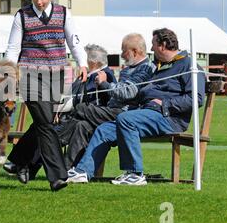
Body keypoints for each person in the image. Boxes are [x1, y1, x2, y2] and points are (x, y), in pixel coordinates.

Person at [67, 28, 206, 185]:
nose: (151, 49)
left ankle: (135, 174)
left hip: (169, 118)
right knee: (104, 129)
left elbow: (197, 99)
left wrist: (165, 104)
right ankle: (82, 171)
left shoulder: (188, 65)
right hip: (147, 114)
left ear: (163, 45)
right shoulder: (160, 66)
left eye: (153, 44)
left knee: (126, 119)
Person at [4, 0, 88, 191]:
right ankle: (57, 176)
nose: (39, 2)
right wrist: (10, 71)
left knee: (44, 123)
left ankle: (19, 161)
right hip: (29, 74)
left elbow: (74, 40)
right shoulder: (21, 16)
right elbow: (13, 48)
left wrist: (83, 63)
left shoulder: (64, 13)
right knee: (46, 123)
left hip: (56, 75)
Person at [3, 43, 116, 179]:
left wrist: (64, 111)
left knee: (47, 129)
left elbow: (94, 102)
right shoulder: (86, 75)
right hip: (72, 115)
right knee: (42, 122)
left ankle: (23, 164)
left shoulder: (105, 75)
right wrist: (59, 111)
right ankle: (24, 164)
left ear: (93, 61)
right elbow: (70, 97)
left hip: (85, 119)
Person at [63, 33, 155, 172]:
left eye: (124, 51)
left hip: (126, 114)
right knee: (82, 125)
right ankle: (68, 170)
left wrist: (104, 84)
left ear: (135, 51)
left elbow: (127, 92)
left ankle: (54, 136)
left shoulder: (146, 68)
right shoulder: (128, 69)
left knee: (81, 109)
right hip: (113, 112)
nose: (122, 55)